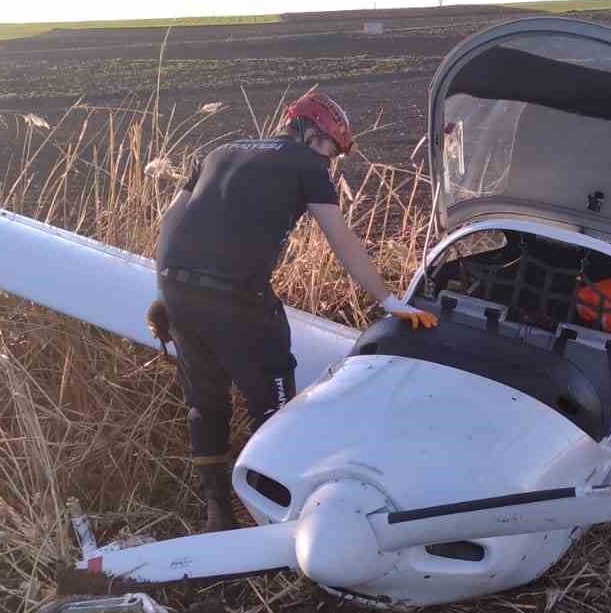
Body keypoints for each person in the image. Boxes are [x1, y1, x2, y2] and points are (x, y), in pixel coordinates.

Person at [151, 89, 437, 531]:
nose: (330, 160)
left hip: (175, 285)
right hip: (236, 296)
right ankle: (273, 512)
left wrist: (165, 293)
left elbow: (172, 220)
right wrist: (389, 301)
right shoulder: (306, 164)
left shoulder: (220, 150)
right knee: (274, 398)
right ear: (307, 132)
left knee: (206, 403)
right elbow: (342, 241)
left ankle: (217, 510)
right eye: (329, 148)